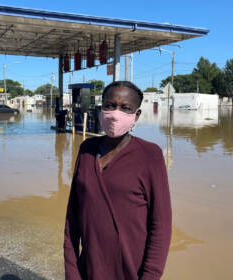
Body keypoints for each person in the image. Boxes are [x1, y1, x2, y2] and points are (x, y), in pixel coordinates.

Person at [64, 81, 172, 280]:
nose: (115, 113)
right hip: (88, 269)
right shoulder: (87, 149)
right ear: (101, 108)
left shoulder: (150, 155)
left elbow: (161, 225)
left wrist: (150, 276)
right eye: (110, 105)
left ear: (136, 115)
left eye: (125, 108)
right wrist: (72, 272)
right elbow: (72, 217)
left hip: (131, 272)